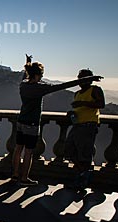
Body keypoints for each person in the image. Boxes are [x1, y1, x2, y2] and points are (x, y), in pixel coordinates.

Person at [12, 55, 102, 186]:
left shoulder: (23, 85)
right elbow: (63, 85)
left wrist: (28, 62)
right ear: (38, 75)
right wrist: (89, 79)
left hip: (21, 121)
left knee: (18, 149)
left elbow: (25, 77)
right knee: (28, 152)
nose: (42, 77)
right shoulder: (39, 88)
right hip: (32, 123)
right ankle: (24, 178)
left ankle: (15, 175)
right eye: (41, 75)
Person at [64, 69, 105, 190]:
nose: (80, 80)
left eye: (83, 78)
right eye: (79, 78)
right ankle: (83, 173)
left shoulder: (95, 90)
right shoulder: (77, 93)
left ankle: (82, 179)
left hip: (88, 125)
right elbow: (78, 108)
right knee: (69, 150)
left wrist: (82, 103)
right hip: (77, 124)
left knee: (84, 153)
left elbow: (101, 104)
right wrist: (72, 113)